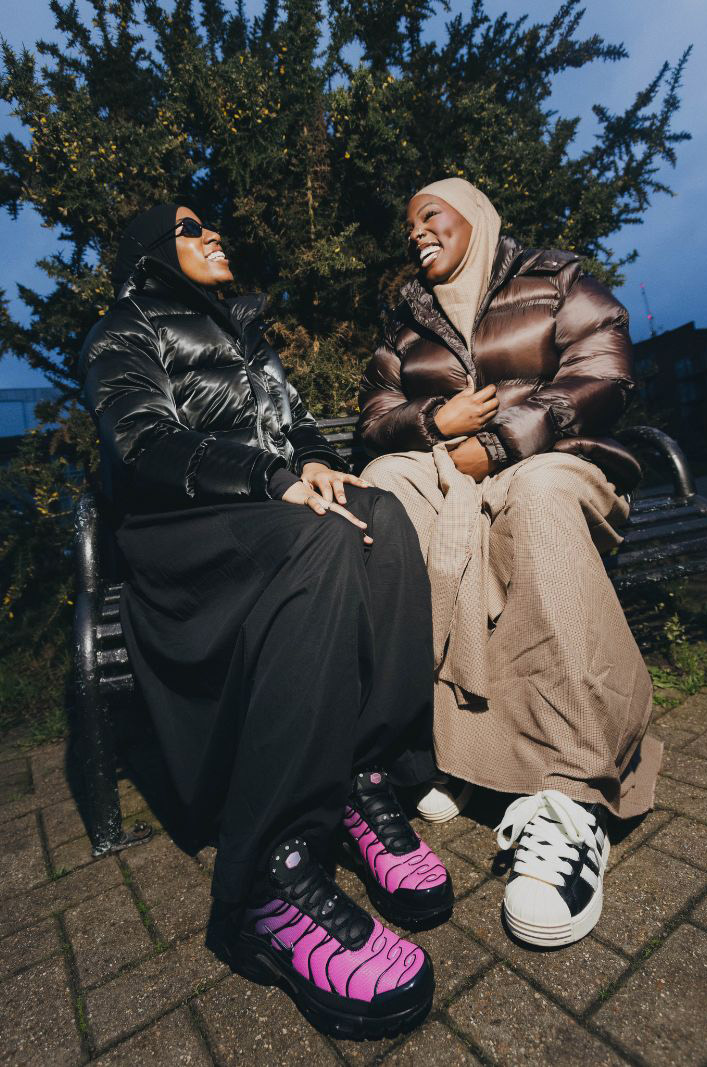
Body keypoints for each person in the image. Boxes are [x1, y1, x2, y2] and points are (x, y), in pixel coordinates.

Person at [78, 205, 452, 1039]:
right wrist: (270, 476)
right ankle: (268, 882)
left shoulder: (247, 332)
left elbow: (294, 433)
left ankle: (365, 777)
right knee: (319, 538)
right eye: (186, 226)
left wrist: (311, 461)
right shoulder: (122, 327)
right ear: (150, 251)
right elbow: (141, 444)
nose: (211, 233)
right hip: (183, 530)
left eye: (210, 223)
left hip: (266, 504)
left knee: (382, 517)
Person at [357, 178, 662, 950]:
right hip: (448, 473)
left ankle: (574, 792)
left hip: (556, 463)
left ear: (477, 214)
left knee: (536, 496)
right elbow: (376, 419)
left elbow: (602, 368)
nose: (416, 232)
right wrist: (434, 419)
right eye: (408, 223)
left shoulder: (553, 279)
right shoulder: (407, 320)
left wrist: (494, 443)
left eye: (431, 214)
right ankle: (425, 751)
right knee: (382, 493)